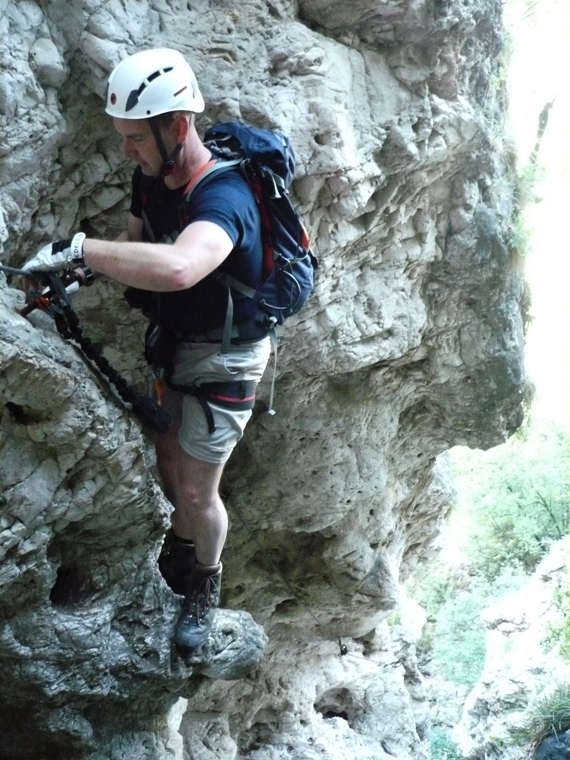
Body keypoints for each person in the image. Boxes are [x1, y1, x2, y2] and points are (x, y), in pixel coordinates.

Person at [22, 48, 271, 652]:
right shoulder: (151, 179)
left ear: (177, 126)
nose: (127, 151)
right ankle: (181, 549)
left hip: (227, 357)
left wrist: (79, 246)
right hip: (174, 344)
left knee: (195, 490)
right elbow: (137, 251)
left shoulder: (226, 200)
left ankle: (202, 588)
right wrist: (73, 275)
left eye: (135, 138)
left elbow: (183, 265)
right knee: (168, 465)